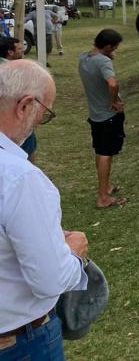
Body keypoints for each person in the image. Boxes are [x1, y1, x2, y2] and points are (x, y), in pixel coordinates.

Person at [0, 60, 89, 360]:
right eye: (44, 113)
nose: (41, 121)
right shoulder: (19, 178)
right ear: (25, 106)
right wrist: (72, 251)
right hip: (19, 341)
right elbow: (49, 279)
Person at [77, 29, 128, 209]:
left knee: (100, 151)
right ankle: (103, 197)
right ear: (108, 46)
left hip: (95, 114)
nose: (115, 50)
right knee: (106, 154)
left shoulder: (84, 58)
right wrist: (114, 102)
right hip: (108, 115)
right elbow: (112, 83)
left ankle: (105, 186)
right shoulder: (103, 61)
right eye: (114, 47)